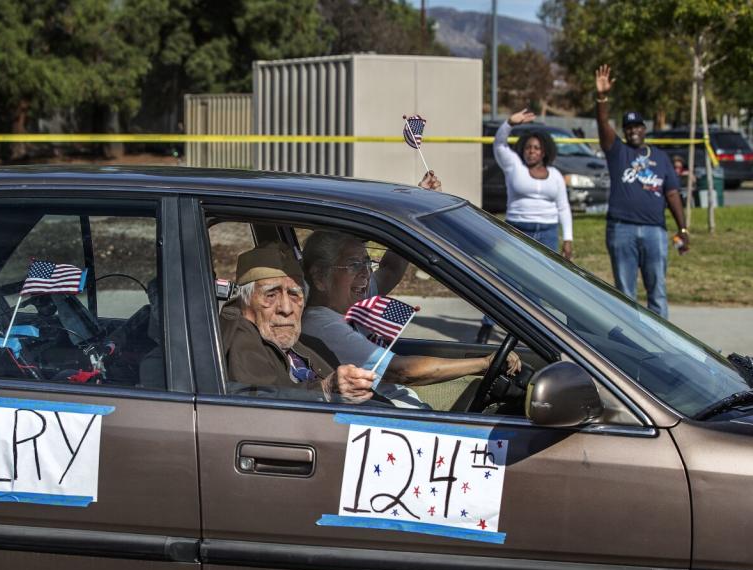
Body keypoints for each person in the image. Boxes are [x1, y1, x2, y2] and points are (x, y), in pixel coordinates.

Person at [300, 231, 521, 410]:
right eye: (354, 265)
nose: (366, 274)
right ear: (320, 277)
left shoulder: (346, 299)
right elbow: (402, 372)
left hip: (404, 409)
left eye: (368, 263)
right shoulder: (322, 325)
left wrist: (406, 222)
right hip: (393, 424)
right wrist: (483, 364)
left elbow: (390, 269)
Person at [220, 242, 376, 403]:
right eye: (271, 295)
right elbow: (260, 407)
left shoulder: (307, 343)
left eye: (294, 295)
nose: (286, 309)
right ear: (244, 302)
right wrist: (325, 389)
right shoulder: (242, 342)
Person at [594, 64, 689, 319]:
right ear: (624, 131)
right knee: (625, 294)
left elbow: (671, 194)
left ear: (644, 129)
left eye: (637, 126)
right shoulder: (618, 152)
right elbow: (603, 124)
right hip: (621, 229)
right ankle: (631, 347)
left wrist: (683, 229)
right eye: (628, 127)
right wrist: (602, 98)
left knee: (657, 290)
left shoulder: (660, 157)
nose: (633, 130)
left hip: (654, 231)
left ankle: (660, 346)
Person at [476, 108, 575, 342]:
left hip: (547, 233)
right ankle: (487, 325)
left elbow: (564, 207)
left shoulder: (555, 175)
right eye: (529, 147)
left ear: (545, 151)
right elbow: (499, 144)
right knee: (505, 281)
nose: (532, 151)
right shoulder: (514, 166)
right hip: (517, 231)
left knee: (536, 285)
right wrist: (510, 123)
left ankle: (535, 333)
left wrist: (568, 238)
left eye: (537, 148)